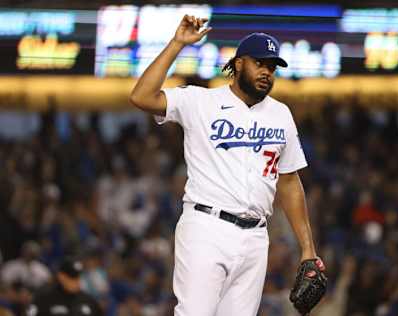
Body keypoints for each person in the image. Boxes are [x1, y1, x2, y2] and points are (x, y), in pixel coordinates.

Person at [130, 14, 325, 316]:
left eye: (272, 67)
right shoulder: (200, 101)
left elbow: (289, 182)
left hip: (257, 237)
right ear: (238, 64)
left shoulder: (281, 114)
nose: (267, 72)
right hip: (207, 227)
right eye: (259, 63)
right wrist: (177, 44)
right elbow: (141, 96)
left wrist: (307, 248)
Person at [25, 258, 102, 316]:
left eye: (78, 277)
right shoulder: (44, 298)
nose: (76, 282)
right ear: (61, 276)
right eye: (72, 277)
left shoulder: (89, 301)